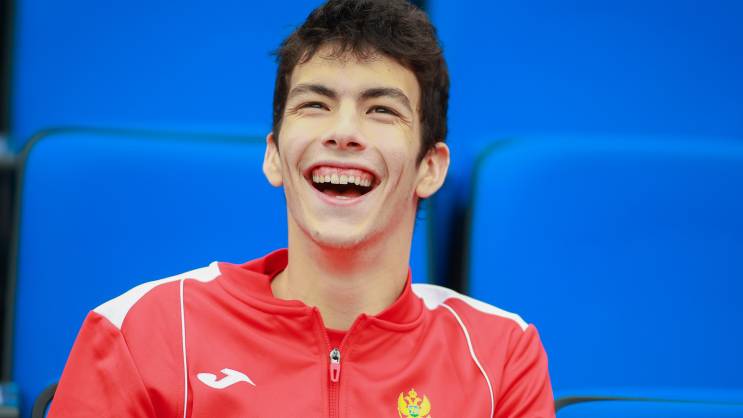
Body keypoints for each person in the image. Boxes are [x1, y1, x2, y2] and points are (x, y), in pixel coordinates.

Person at [49, 0, 554, 416]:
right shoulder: (143, 331)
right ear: (273, 155)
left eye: (381, 110)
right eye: (315, 104)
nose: (344, 132)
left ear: (431, 167)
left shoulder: (501, 356)